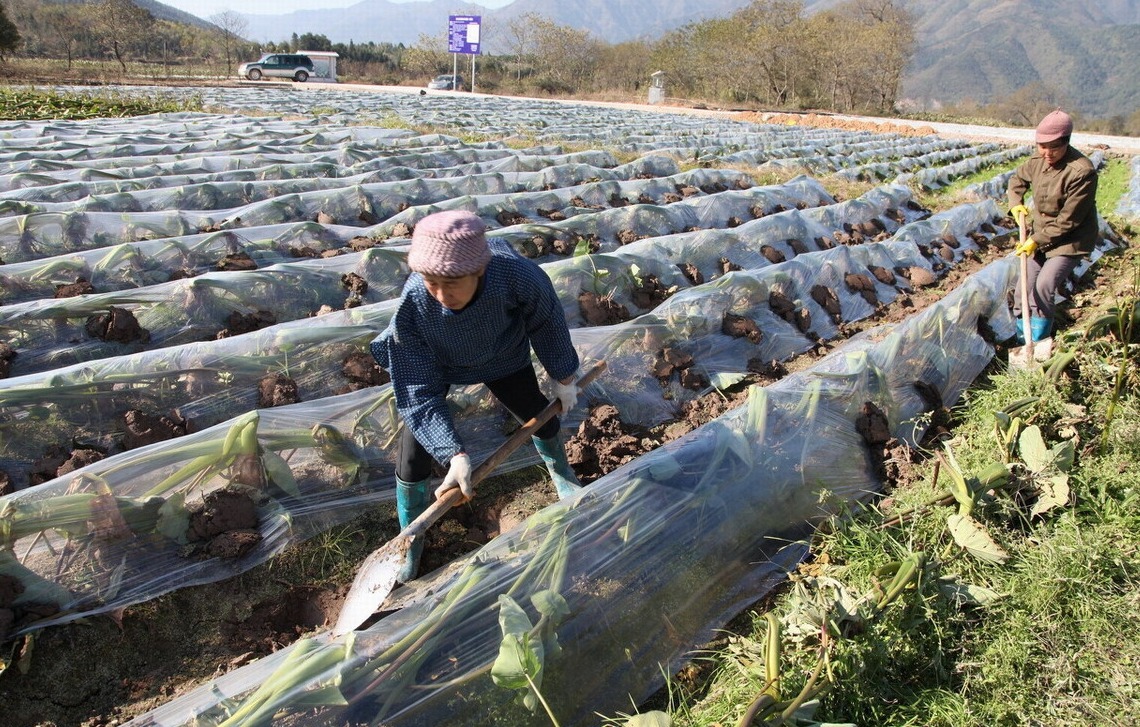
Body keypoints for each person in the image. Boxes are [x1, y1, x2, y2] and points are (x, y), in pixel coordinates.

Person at [370, 210, 584, 582]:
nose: (441, 294)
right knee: (413, 455)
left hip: (503, 356)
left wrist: (563, 377)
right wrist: (453, 454)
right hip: (439, 363)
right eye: (431, 281)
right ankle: (411, 533)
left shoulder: (516, 275)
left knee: (537, 414)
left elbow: (546, 322)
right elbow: (417, 387)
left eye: (451, 282)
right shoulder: (415, 304)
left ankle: (561, 472)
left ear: (479, 271)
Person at [1007, 108, 1098, 343]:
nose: (1047, 153)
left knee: (1043, 287)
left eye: (1054, 147)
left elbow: (1069, 220)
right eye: (1042, 146)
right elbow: (1017, 180)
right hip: (1041, 234)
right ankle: (1022, 340)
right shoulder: (1037, 162)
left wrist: (1035, 241)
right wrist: (1016, 203)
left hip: (1070, 239)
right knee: (1022, 290)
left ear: (1067, 143)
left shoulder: (1082, 172)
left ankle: (1039, 342)